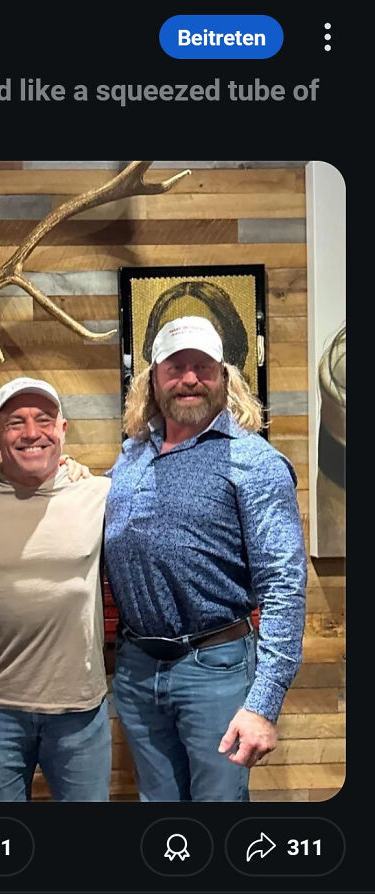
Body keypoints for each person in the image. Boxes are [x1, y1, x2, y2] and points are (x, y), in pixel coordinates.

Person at [105, 316, 306, 801]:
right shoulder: (131, 455)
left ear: (224, 376)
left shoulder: (254, 461)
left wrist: (263, 705)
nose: (189, 378)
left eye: (202, 367)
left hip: (214, 669)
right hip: (137, 669)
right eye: (175, 367)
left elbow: (284, 586)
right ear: (153, 378)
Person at [0, 377, 112, 801]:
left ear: (63, 430)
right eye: (16, 422)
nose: (32, 432)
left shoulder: (99, 494)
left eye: (44, 420)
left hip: (80, 713)